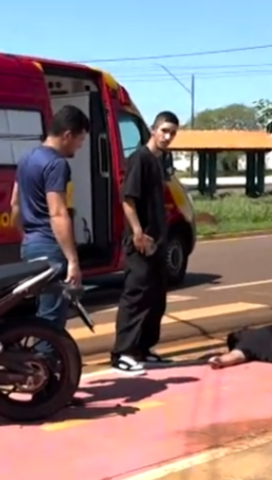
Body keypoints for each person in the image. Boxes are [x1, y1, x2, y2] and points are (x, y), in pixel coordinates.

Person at [110, 111, 180, 376]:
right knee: (136, 297)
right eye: (164, 130)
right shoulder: (140, 158)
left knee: (155, 298)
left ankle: (143, 349)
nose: (167, 136)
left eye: (172, 132)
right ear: (153, 130)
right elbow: (128, 198)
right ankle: (122, 353)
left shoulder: (158, 161)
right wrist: (138, 232)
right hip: (142, 241)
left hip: (157, 243)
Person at [11, 105, 89, 329]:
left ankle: (40, 359)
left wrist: (26, 235)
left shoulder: (27, 158)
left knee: (39, 314)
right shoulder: (56, 164)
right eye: (79, 140)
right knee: (51, 320)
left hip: (30, 246)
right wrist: (73, 261)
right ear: (67, 135)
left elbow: (14, 203)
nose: (79, 146)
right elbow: (57, 213)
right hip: (50, 248)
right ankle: (48, 363)